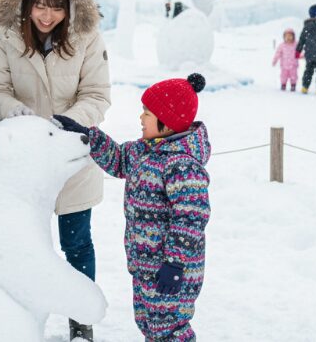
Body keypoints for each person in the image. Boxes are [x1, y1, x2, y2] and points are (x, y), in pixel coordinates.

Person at [0, 0, 110, 342]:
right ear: (26, 0)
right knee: (23, 246)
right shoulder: (2, 35)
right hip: (22, 161)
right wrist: (18, 115)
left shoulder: (87, 36)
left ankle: (79, 318)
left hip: (71, 157)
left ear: (71, 4)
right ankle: (21, 319)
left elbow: (97, 95)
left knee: (77, 244)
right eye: (40, 4)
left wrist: (67, 124)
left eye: (56, 6)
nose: (47, 15)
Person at [53, 73, 211, 342]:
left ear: (168, 122)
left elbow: (191, 219)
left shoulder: (182, 165)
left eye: (147, 113)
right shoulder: (146, 150)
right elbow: (119, 160)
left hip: (171, 270)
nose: (141, 118)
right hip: (146, 265)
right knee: (150, 324)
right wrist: (88, 135)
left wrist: (174, 264)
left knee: (169, 329)